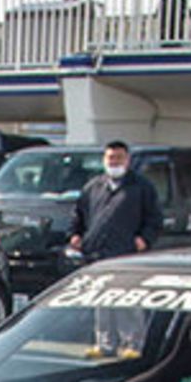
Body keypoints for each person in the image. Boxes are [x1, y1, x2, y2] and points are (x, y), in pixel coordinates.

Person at [69, 141, 163, 356]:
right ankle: (105, 344)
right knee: (101, 301)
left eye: (119, 158)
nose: (114, 162)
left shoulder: (141, 187)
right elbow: (78, 215)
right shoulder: (94, 186)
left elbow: (155, 219)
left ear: (127, 160)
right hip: (97, 254)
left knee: (127, 300)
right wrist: (75, 235)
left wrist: (144, 240)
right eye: (110, 158)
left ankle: (132, 344)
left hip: (126, 254)